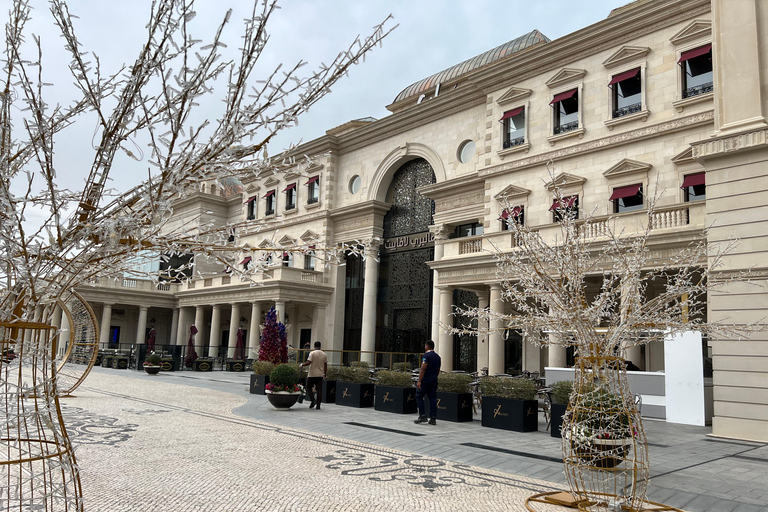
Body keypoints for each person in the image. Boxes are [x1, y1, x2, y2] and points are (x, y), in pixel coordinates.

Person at [414, 340, 441, 425]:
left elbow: (423, 368)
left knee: (418, 396)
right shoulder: (438, 357)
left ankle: (423, 415)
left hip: (426, 380)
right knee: (432, 398)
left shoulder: (426, 356)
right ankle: (433, 418)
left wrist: (419, 381)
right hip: (434, 380)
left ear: (427, 346)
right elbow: (438, 369)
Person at [300, 341, 327, 410]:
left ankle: (312, 400)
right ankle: (318, 405)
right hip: (320, 374)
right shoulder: (324, 354)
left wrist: (302, 364)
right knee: (319, 389)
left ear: (314, 346)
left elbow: (309, 362)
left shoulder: (312, 353)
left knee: (308, 387)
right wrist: (325, 374)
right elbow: (325, 365)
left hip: (312, 374)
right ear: (320, 346)